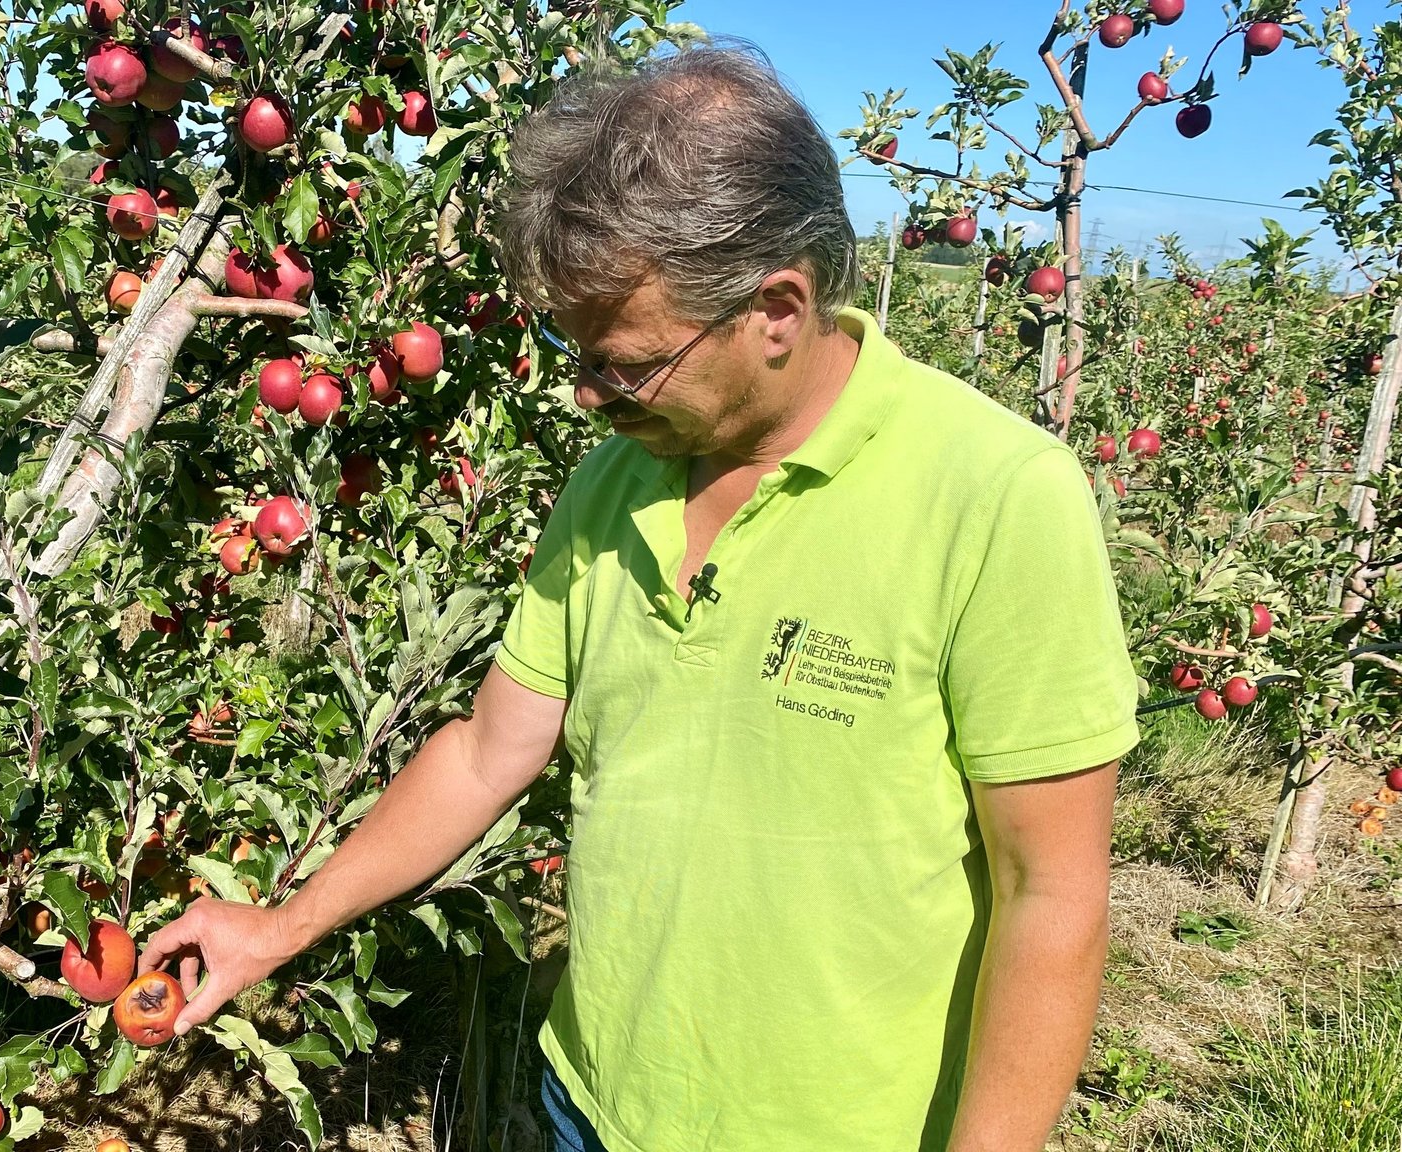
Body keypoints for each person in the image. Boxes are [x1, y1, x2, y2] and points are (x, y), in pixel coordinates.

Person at [140, 40, 1138, 1152]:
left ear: (775, 308)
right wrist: (284, 925)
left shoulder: (996, 497)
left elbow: (1047, 893)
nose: (586, 395)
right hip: (594, 1100)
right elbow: (487, 752)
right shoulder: (614, 475)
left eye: (625, 362)